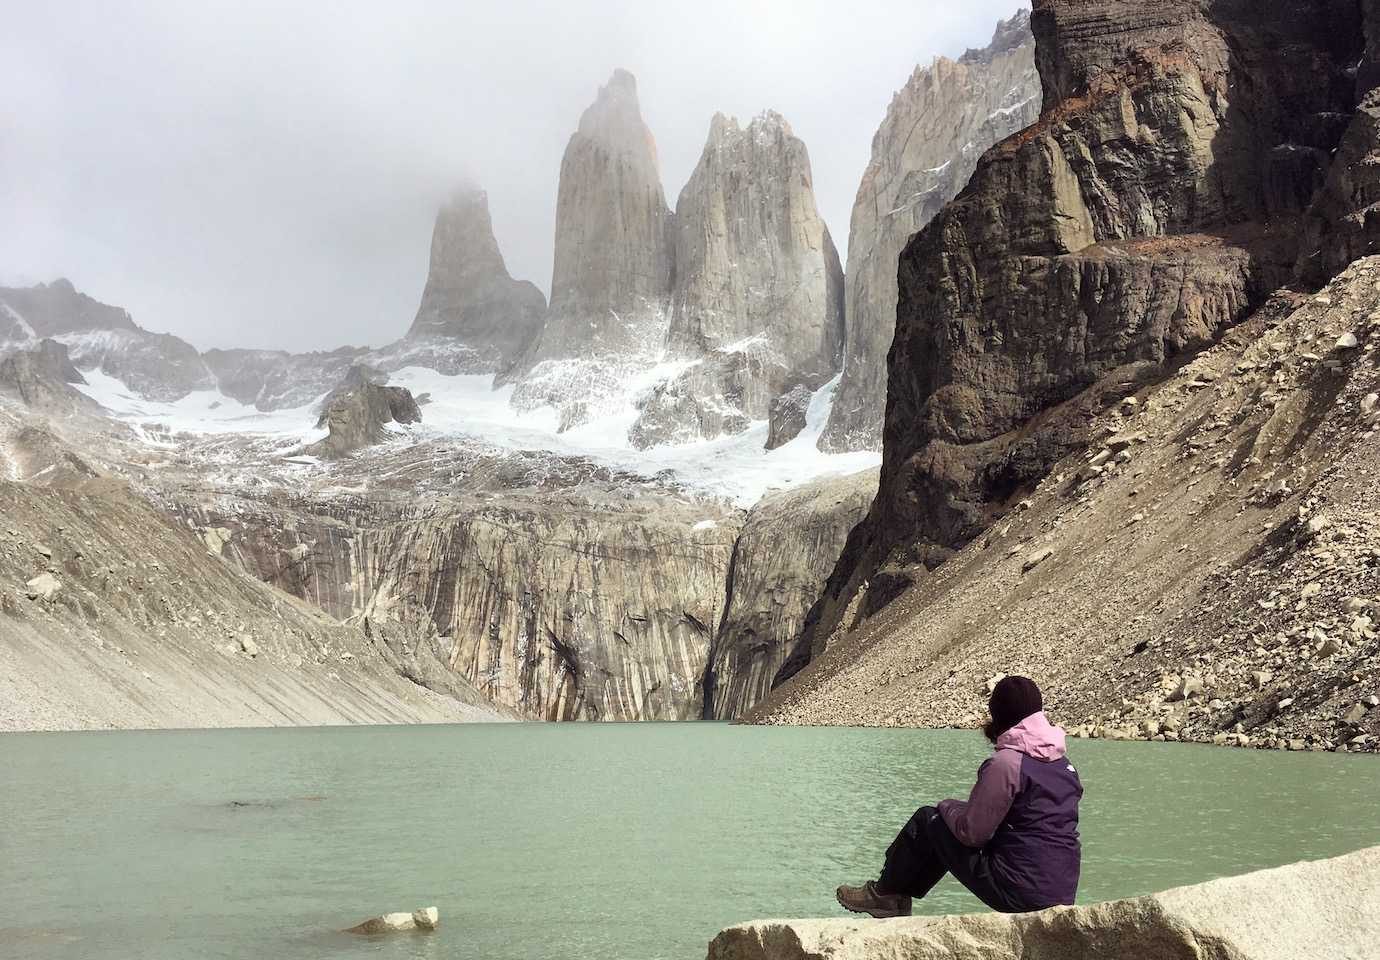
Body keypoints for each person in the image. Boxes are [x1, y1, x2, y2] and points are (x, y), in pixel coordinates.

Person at [836, 676, 1083, 917]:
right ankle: (894, 895)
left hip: (1018, 892)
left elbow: (972, 833)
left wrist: (946, 806)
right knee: (947, 825)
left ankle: (886, 894)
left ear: (999, 716)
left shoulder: (1006, 764)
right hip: (1060, 893)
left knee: (929, 820)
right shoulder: (1064, 764)